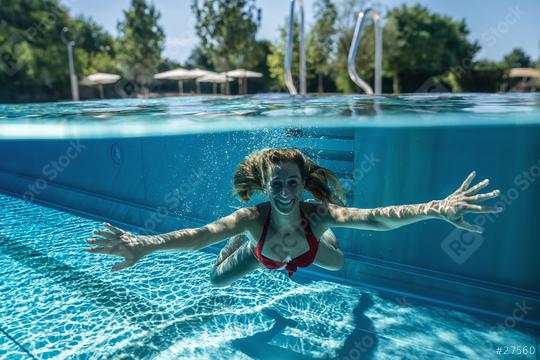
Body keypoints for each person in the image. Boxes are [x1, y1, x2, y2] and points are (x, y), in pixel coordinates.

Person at [86, 148, 502, 287]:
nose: (284, 194)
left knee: (339, 260)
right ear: (265, 185)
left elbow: (376, 218)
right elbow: (198, 236)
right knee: (215, 279)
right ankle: (244, 245)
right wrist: (144, 244)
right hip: (263, 251)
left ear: (303, 184)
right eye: (276, 185)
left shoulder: (316, 212)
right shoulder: (253, 215)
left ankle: (323, 238)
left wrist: (435, 209)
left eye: (291, 184)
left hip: (311, 248)